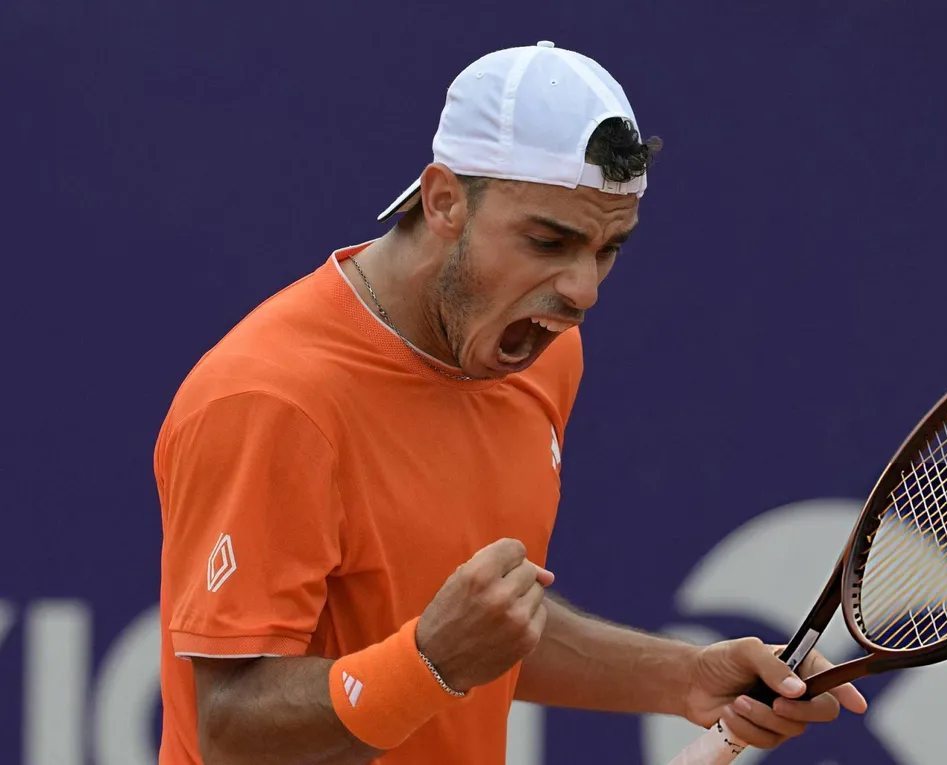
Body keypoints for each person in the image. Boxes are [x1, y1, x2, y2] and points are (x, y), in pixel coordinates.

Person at [153, 40, 867, 765]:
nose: (583, 290)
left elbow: (484, 634)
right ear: (443, 203)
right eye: (548, 240)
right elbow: (232, 728)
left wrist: (682, 676)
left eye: (608, 248)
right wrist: (431, 660)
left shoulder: (540, 352)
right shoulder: (272, 399)